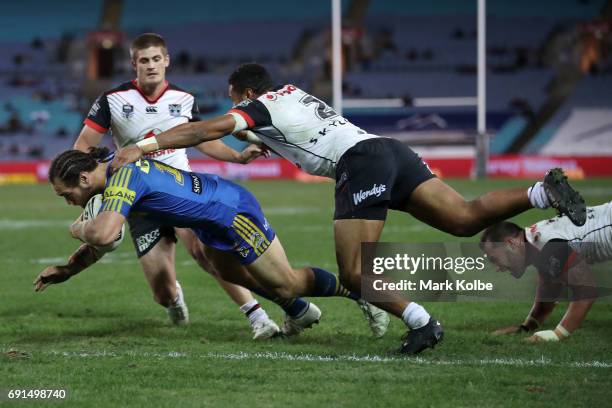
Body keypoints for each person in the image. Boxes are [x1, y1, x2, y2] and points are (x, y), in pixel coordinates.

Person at [110, 63, 587, 354]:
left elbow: (205, 130)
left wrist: (146, 144)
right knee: (463, 217)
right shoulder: (291, 94)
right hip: (389, 150)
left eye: (236, 100)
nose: (235, 108)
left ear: (245, 94)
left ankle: (424, 324)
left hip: (359, 164)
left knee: (356, 272)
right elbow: (272, 129)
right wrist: (252, 140)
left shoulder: (260, 105)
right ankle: (542, 192)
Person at [34, 148, 388, 340]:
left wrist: (78, 229)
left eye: (67, 196)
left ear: (83, 178)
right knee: (231, 273)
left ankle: (361, 293)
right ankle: (298, 312)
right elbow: (105, 237)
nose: (70, 203)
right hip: (208, 218)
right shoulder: (113, 171)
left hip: (232, 212)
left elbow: (103, 234)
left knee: (285, 281)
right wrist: (68, 269)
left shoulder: (123, 177)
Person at [74, 33, 278, 338]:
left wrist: (238, 157)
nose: (152, 66)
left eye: (157, 59)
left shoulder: (184, 99)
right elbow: (83, 147)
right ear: (134, 64)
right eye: (144, 60)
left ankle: (257, 316)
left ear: (167, 60)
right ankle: (174, 298)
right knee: (162, 291)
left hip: (182, 188)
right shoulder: (112, 100)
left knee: (205, 252)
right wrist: (96, 186)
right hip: (138, 198)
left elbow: (203, 140)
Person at [480, 201, 612, 342]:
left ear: (511, 243)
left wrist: (558, 334)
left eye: (494, 259)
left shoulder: (546, 243)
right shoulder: (537, 244)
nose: (498, 268)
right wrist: (526, 327)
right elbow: (549, 290)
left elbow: (586, 292)